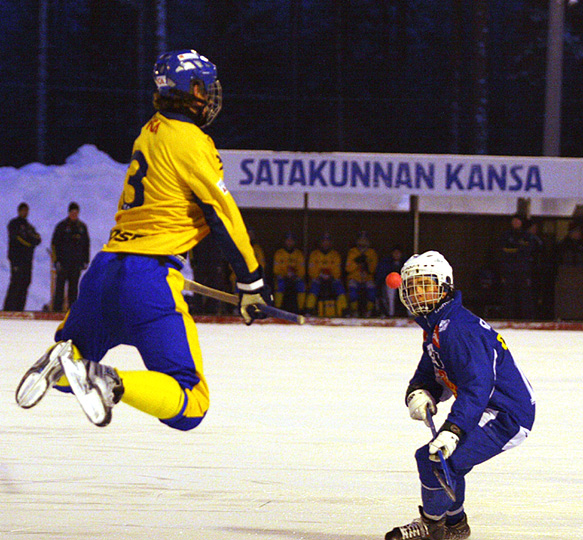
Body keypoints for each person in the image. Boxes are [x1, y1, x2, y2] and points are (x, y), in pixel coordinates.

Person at [15, 49, 272, 430]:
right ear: (194, 89)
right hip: (148, 278)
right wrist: (251, 281)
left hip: (105, 270)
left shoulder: (149, 131)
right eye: (207, 87)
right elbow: (223, 214)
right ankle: (112, 380)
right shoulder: (191, 140)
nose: (212, 96)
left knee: (73, 368)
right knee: (191, 403)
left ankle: (61, 358)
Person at [384, 251, 535, 540]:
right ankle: (455, 524)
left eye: (425, 285)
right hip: (485, 406)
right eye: (412, 287)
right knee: (449, 462)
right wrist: (419, 391)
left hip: (505, 414)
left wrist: (453, 430)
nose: (417, 293)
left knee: (435, 459)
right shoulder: (438, 324)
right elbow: (431, 369)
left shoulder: (458, 330)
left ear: (444, 287)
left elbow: (477, 388)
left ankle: (431, 523)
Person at [51, 202, 90, 312]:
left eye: (76, 212)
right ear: (69, 213)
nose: (74, 214)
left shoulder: (82, 227)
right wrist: (56, 261)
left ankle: (71, 312)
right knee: (59, 288)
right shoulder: (62, 226)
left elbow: (86, 245)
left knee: (73, 289)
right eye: (72, 212)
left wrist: (85, 260)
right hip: (63, 263)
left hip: (76, 263)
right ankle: (56, 311)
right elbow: (54, 244)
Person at [3, 203, 42, 311]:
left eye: (26, 210)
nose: (25, 212)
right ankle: (9, 308)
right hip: (17, 259)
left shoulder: (29, 226)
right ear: (19, 211)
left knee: (25, 282)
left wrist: (31, 240)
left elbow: (38, 239)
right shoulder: (14, 224)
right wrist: (30, 242)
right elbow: (19, 238)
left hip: (27, 259)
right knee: (16, 282)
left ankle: (20, 308)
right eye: (23, 210)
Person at [496, 214, 535, 320]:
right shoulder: (505, 236)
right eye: (514, 221)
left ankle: (526, 320)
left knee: (524, 297)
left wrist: (517, 250)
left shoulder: (527, 236)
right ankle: (507, 318)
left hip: (523, 271)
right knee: (508, 297)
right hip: (508, 271)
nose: (516, 223)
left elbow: (528, 251)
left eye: (518, 221)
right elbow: (503, 252)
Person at [305, 232, 347, 317]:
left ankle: (344, 311)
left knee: (339, 287)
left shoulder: (335, 255)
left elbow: (337, 271)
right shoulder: (314, 254)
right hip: (318, 279)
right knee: (314, 287)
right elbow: (311, 270)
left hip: (332, 279)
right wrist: (320, 275)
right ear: (320, 243)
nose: (326, 243)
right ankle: (308, 310)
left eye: (328, 241)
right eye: (324, 241)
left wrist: (330, 275)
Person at [189, 234, 230, 314]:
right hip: (200, 263)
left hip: (213, 263)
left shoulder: (216, 232)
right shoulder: (198, 233)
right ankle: (197, 309)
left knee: (214, 286)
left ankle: (212, 309)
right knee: (198, 286)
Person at [345, 231, 378, 317]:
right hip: (355, 278)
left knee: (371, 290)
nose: (363, 242)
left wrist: (367, 264)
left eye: (365, 239)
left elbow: (373, 269)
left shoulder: (371, 253)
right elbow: (348, 268)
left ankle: (369, 311)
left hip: (367, 278)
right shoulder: (352, 252)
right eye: (361, 239)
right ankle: (354, 311)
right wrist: (357, 263)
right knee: (352, 288)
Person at [272, 232, 306, 313]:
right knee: (279, 285)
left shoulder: (298, 254)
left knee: (301, 285)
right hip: (283, 277)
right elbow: (276, 270)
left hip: (295, 277)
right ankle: (277, 309)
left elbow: (302, 270)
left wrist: (295, 275)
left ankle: (302, 310)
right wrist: (285, 274)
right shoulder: (279, 253)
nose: (289, 242)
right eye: (288, 240)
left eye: (291, 240)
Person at [375, 244, 407, 317]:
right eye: (395, 253)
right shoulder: (386, 262)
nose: (396, 255)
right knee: (390, 290)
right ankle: (390, 312)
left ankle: (410, 313)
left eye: (398, 253)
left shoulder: (405, 263)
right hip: (390, 284)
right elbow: (381, 275)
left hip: (403, 284)